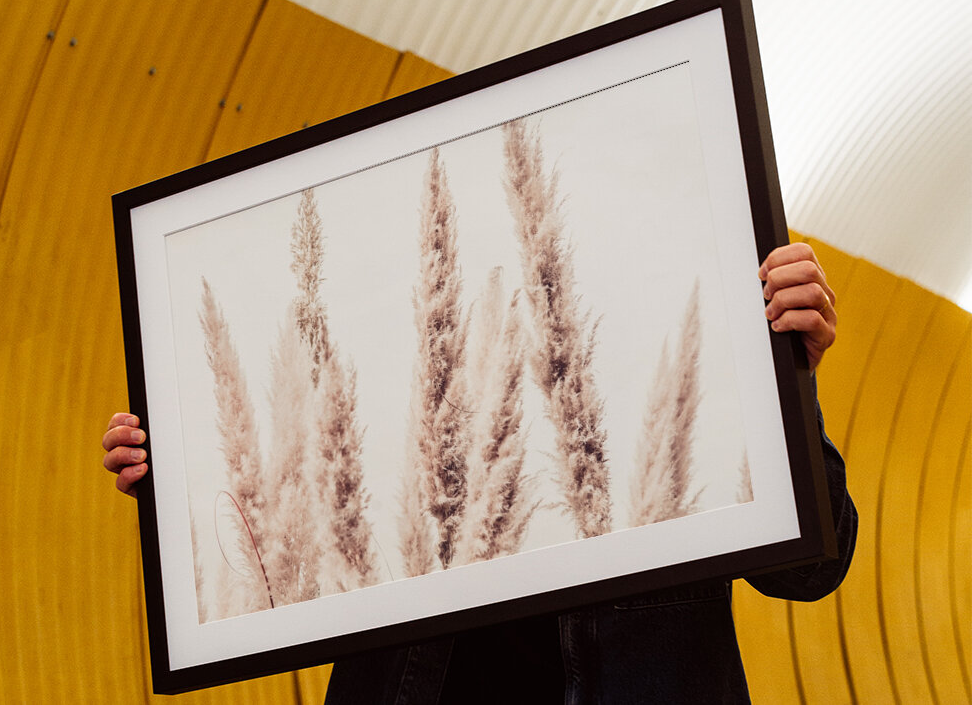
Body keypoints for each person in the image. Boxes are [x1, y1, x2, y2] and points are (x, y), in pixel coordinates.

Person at [102, 243, 857, 704]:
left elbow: (814, 568)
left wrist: (787, 378)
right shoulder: (406, 394)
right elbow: (294, 508)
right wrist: (185, 475)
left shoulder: (670, 375)